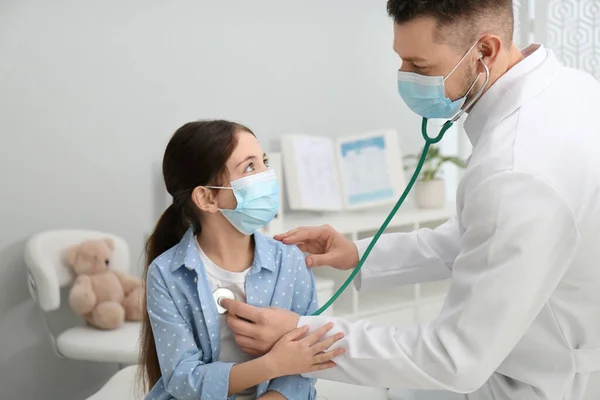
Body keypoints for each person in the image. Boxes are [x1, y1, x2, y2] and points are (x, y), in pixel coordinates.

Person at [221, 1, 600, 399]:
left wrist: (303, 335)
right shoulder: (570, 87)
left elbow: (456, 359)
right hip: (527, 350)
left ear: (485, 51)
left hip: (541, 379)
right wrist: (358, 254)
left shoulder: (516, 167)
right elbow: (482, 238)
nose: (405, 78)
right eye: (401, 60)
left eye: (420, 67)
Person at [138, 120, 345, 400]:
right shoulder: (166, 274)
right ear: (207, 197)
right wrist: (272, 364)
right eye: (249, 167)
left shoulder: (289, 260)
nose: (267, 176)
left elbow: (307, 360)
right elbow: (183, 379)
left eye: (264, 162)